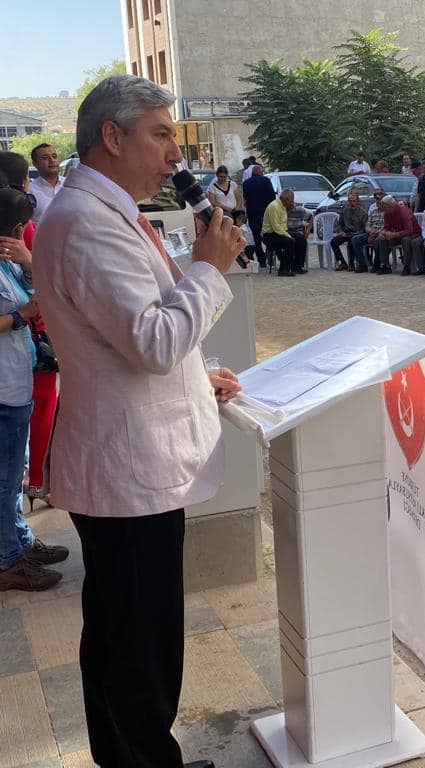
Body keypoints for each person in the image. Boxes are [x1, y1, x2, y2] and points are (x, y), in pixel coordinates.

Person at [32, 74, 244, 768]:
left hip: (127, 462)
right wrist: (209, 269)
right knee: (139, 644)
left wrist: (197, 377)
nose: (175, 155)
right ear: (112, 136)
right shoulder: (87, 221)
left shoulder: (104, 211)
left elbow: (120, 337)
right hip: (128, 473)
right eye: (160, 136)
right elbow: (152, 342)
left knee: (123, 633)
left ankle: (131, 757)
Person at [0, 186, 68, 591]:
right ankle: (8, 560)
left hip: (15, 383)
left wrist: (28, 263)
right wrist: (22, 315)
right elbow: (20, 310)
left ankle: (20, 542)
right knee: (4, 481)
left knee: (12, 477)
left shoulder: (7, 262)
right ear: (15, 227)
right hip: (3, 390)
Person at [242, 164, 276, 268]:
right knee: (268, 234)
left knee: (256, 237)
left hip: (252, 214)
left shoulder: (246, 183)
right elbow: (272, 197)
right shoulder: (266, 181)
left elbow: (245, 198)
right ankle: (269, 249)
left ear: (252, 173)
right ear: (261, 172)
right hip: (265, 213)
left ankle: (261, 261)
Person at [378, 196, 423, 275]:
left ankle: (407, 266)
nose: (382, 208)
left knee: (406, 240)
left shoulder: (403, 212)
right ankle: (385, 265)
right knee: (382, 239)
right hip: (399, 234)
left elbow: (409, 230)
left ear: (390, 206)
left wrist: (394, 235)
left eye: (384, 206)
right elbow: (386, 227)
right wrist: (383, 232)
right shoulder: (387, 212)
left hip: (413, 234)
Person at [262, 188, 297, 275]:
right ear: (286, 199)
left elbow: (283, 225)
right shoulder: (274, 206)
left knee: (301, 238)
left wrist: (289, 234)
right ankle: (283, 270)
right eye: (291, 201)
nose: (292, 203)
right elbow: (276, 227)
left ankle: (297, 267)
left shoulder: (283, 206)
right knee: (289, 242)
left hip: (279, 232)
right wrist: (288, 236)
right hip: (269, 235)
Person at [329, 193, 368, 271]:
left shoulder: (363, 213)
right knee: (333, 241)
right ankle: (342, 262)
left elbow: (364, 229)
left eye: (354, 201)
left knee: (352, 240)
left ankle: (351, 264)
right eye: (350, 201)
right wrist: (341, 231)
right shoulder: (345, 210)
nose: (352, 203)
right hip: (346, 232)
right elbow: (340, 224)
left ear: (358, 202)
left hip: (356, 233)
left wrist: (353, 234)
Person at [28, 144, 64, 222]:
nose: (52, 160)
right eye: (45, 158)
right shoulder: (29, 191)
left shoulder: (71, 185)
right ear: (35, 164)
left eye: (54, 156)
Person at [354, 191, 386, 273]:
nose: (378, 202)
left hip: (381, 233)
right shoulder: (373, 212)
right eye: (376, 200)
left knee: (377, 241)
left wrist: (375, 233)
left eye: (379, 200)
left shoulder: (387, 212)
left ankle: (377, 264)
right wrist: (370, 232)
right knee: (356, 239)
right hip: (371, 233)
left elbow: (387, 227)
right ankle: (362, 265)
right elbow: (367, 225)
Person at [283, 189, 312, 273]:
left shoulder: (299, 210)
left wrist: (308, 230)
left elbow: (311, 217)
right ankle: (290, 265)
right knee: (291, 240)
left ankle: (298, 266)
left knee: (301, 240)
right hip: (285, 232)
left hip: (297, 231)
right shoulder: (281, 210)